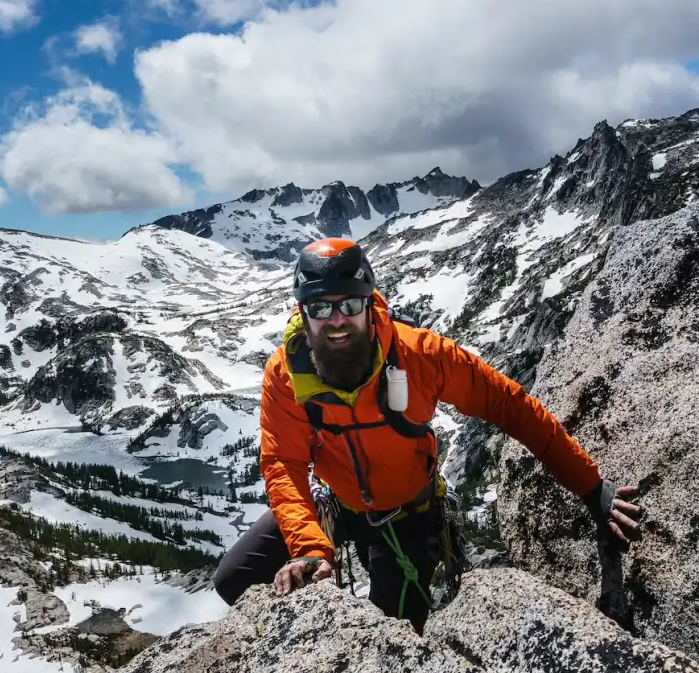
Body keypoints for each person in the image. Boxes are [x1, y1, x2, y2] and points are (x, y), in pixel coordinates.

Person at [213, 237, 643, 633]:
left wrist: (592, 488)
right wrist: (309, 547)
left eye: (350, 304)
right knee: (235, 578)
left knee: (393, 632)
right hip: (338, 503)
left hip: (409, 514)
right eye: (321, 308)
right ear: (302, 311)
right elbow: (283, 463)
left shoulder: (419, 354)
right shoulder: (286, 374)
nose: (337, 320)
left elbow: (510, 407)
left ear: (369, 303)